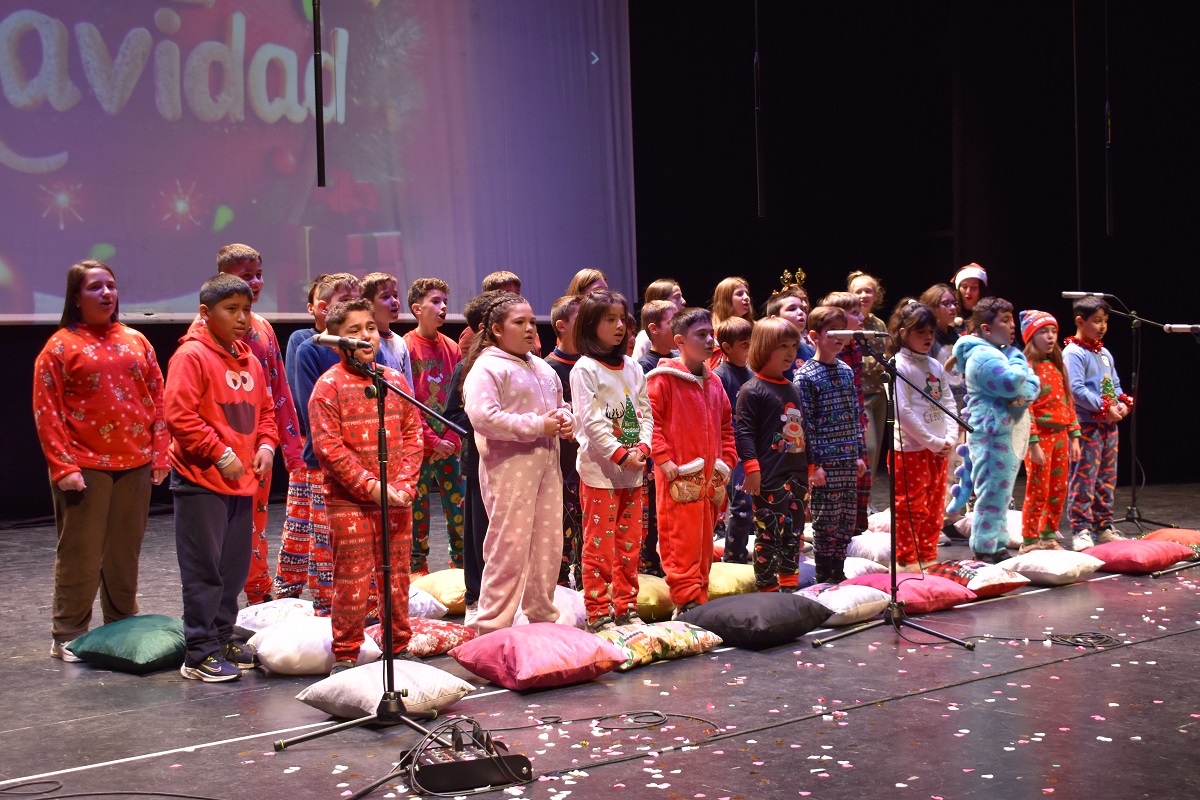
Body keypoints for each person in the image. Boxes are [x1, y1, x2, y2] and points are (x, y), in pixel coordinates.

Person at [33, 260, 169, 662]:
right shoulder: (59, 346)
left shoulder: (135, 340)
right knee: (82, 553)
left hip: (136, 462)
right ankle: (69, 633)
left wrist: (160, 453)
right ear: (77, 297)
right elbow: (47, 412)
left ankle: (121, 623)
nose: (106, 293)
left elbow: (157, 398)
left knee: (124, 551)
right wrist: (64, 467)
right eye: (95, 288)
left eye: (110, 285)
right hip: (85, 465)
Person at [166, 274, 277, 681]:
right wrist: (221, 453)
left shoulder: (248, 358)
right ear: (204, 313)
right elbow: (179, 415)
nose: (243, 318)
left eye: (246, 309)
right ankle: (198, 651)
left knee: (232, 568)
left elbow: (266, 412)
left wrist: (265, 447)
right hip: (200, 482)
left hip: (241, 481)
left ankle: (223, 635)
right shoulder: (191, 356)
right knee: (204, 570)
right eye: (231, 310)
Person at [308, 299, 424, 674]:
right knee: (353, 577)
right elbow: (329, 449)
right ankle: (346, 653)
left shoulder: (394, 381)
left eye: (369, 328)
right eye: (353, 331)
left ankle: (398, 647)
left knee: (397, 575)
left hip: (396, 497)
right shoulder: (328, 387)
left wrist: (404, 485)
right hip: (350, 501)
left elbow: (413, 433)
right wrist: (372, 487)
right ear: (337, 340)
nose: (365, 336)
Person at [186, 245, 303, 605]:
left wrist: (287, 446)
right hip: (219, 448)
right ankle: (221, 605)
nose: (254, 282)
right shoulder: (200, 338)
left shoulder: (264, 328)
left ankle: (256, 593)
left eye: (257, 274)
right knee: (222, 532)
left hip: (258, 444)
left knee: (256, 521)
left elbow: (278, 389)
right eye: (244, 275)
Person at [463, 292, 574, 633]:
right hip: (509, 471)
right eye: (519, 323)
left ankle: (542, 614)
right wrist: (537, 425)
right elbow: (483, 417)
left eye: (531, 322)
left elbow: (561, 405)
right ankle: (493, 625)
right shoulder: (487, 368)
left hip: (547, 468)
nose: (529, 329)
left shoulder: (540, 366)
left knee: (548, 542)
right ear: (496, 329)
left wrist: (567, 420)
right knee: (508, 546)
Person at [278, 273, 363, 612]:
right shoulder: (306, 343)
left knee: (340, 531)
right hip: (320, 453)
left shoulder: (362, 346)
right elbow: (308, 403)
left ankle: (355, 601)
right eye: (348, 300)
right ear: (324, 308)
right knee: (313, 528)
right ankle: (318, 600)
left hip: (358, 452)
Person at [570, 290, 654, 631]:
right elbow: (590, 421)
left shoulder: (632, 366)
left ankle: (626, 607)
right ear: (591, 324)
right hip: (600, 475)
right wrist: (621, 455)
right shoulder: (585, 369)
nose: (620, 326)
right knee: (600, 546)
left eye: (623, 319)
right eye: (610, 320)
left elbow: (645, 412)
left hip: (633, 473)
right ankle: (598, 611)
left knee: (630, 545)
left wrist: (643, 450)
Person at [646, 308, 737, 615]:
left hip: (709, 479)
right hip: (679, 478)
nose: (711, 340)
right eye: (701, 335)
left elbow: (726, 426)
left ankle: (699, 598)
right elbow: (651, 422)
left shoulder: (715, 384)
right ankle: (685, 601)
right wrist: (663, 459)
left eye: (712, 334)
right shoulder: (663, 380)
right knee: (680, 541)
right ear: (680, 341)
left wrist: (727, 461)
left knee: (703, 542)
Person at [949, 296, 1039, 563]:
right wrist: (1020, 362)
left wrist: (1026, 385)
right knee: (992, 493)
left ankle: (996, 544)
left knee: (1001, 493)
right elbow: (1013, 384)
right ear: (986, 329)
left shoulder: (1000, 353)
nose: (1013, 327)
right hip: (992, 434)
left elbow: (1032, 388)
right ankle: (985, 547)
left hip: (1005, 431)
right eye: (1005, 321)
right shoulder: (982, 355)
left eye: (1012, 320)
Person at [794, 306, 867, 584]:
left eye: (843, 332)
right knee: (826, 519)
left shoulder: (846, 371)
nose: (840, 338)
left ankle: (839, 568)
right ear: (814, 336)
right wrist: (814, 466)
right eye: (832, 332)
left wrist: (859, 453)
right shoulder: (806, 376)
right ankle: (826, 572)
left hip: (848, 459)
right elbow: (806, 426)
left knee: (846, 518)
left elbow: (854, 414)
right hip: (826, 464)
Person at [735, 317, 807, 591]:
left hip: (797, 474)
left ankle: (789, 586)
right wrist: (752, 470)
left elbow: (802, 430)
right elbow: (744, 434)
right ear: (764, 348)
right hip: (770, 477)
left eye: (794, 345)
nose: (790, 352)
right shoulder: (752, 390)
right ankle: (767, 588)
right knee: (768, 534)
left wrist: (809, 468)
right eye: (782, 346)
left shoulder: (794, 388)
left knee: (794, 534)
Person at [887, 300, 957, 571]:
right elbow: (902, 410)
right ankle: (907, 560)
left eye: (931, 331)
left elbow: (948, 401)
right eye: (921, 332)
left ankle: (927, 557)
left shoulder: (936, 366)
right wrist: (932, 441)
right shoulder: (898, 365)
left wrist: (949, 436)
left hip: (939, 449)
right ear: (904, 333)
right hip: (911, 450)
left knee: (934, 506)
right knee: (910, 507)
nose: (928, 337)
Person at [403, 278, 465, 574]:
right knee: (418, 510)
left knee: (458, 510)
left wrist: (451, 437)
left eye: (444, 302)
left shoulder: (452, 348)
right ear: (417, 308)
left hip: (450, 445)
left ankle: (462, 565)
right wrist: (431, 440)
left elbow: (460, 396)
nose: (443, 308)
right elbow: (406, 402)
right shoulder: (405, 348)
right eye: (435, 302)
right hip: (419, 444)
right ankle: (417, 567)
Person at [1063, 297, 1132, 550]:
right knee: (1084, 477)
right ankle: (1081, 528)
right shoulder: (1073, 352)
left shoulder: (1104, 353)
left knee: (1106, 477)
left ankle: (1103, 526)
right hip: (1086, 424)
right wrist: (1104, 408)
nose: (1102, 326)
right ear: (1080, 321)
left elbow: (1114, 385)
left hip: (1108, 425)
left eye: (1105, 321)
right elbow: (1076, 389)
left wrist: (1121, 403)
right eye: (1097, 321)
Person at [1019, 310, 1080, 554]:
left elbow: (1068, 401)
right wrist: (1033, 442)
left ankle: (1047, 535)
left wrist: (1074, 435)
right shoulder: (1027, 366)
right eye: (1043, 332)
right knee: (1038, 489)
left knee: (1058, 488)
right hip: (1040, 437)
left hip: (1060, 437)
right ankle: (1030, 539)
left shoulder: (1057, 365)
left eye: (1053, 331)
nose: (1050, 336)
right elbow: (1026, 407)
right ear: (1031, 336)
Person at [820, 291, 874, 533]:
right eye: (854, 313)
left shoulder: (856, 346)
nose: (861, 316)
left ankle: (858, 529)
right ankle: (841, 532)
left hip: (855, 419)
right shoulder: (835, 351)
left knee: (864, 475)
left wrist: (860, 415)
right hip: (836, 426)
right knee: (842, 481)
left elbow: (856, 388)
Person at [544, 295, 584, 589]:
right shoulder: (547, 369)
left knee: (588, 531)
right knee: (560, 530)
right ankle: (558, 590)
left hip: (588, 465)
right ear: (561, 326)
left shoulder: (592, 367)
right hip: (560, 466)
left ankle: (586, 587)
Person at [712, 317, 755, 564]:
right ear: (727, 348)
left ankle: (752, 552)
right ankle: (733, 557)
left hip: (754, 450)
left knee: (756, 504)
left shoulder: (752, 373)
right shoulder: (720, 376)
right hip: (733, 452)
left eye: (752, 342)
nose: (749, 348)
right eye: (744, 343)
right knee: (741, 505)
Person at [848, 271, 889, 494]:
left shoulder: (879, 324)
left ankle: (868, 500)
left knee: (876, 450)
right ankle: (858, 496)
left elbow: (884, 354)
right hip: (859, 394)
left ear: (876, 295)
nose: (864, 295)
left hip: (879, 393)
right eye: (859, 291)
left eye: (868, 290)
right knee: (868, 448)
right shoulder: (847, 323)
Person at [459, 271, 541, 357]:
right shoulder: (472, 333)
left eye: (517, 293)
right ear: (491, 296)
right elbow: (466, 365)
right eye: (507, 294)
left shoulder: (530, 330)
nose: (514, 299)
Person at [361, 271, 414, 389]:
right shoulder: (363, 342)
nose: (394, 301)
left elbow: (408, 388)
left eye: (395, 295)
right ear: (367, 303)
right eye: (385, 297)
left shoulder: (400, 342)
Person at [764, 288, 814, 379]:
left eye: (802, 309)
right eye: (792, 309)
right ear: (775, 318)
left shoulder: (810, 351)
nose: (800, 312)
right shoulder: (767, 351)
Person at [632, 278, 685, 361]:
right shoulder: (644, 339)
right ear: (661, 300)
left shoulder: (681, 334)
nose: (683, 301)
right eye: (677, 297)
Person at [708, 277, 754, 369]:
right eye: (739, 294)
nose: (746, 297)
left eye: (747, 293)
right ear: (726, 300)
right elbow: (714, 369)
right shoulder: (714, 332)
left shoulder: (756, 328)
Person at [636, 299, 678, 374]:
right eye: (673, 322)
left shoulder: (678, 359)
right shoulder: (644, 365)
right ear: (654, 329)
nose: (679, 327)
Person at [952, 263, 988, 335]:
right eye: (964, 287)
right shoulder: (951, 312)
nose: (968, 292)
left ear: (981, 290)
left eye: (974, 287)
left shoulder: (990, 314)